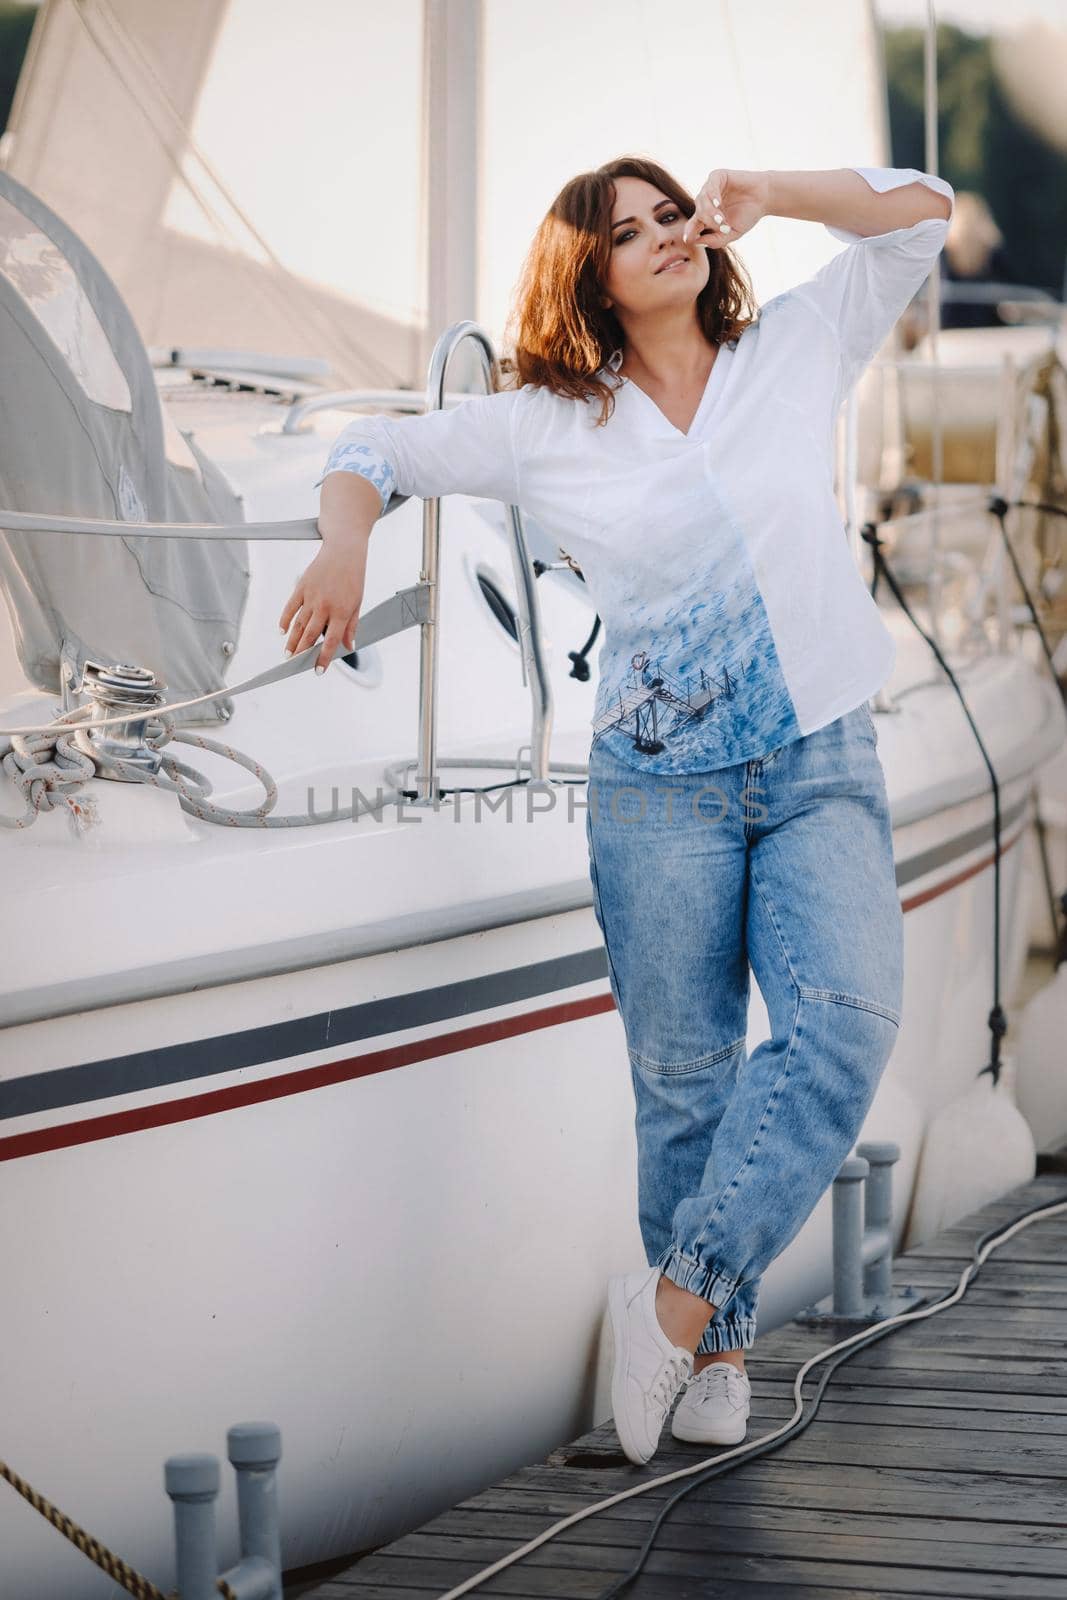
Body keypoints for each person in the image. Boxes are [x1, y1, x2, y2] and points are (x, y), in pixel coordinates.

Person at [280, 157, 954, 1466]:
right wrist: (349, 536)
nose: (661, 238)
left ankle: (667, 1307)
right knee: (685, 1080)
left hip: (819, 760)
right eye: (626, 231)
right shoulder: (545, 422)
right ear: (588, 274)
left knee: (842, 1031)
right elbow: (366, 451)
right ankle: (713, 1361)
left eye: (671, 216)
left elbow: (922, 210)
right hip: (661, 791)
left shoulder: (797, 345)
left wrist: (774, 188)